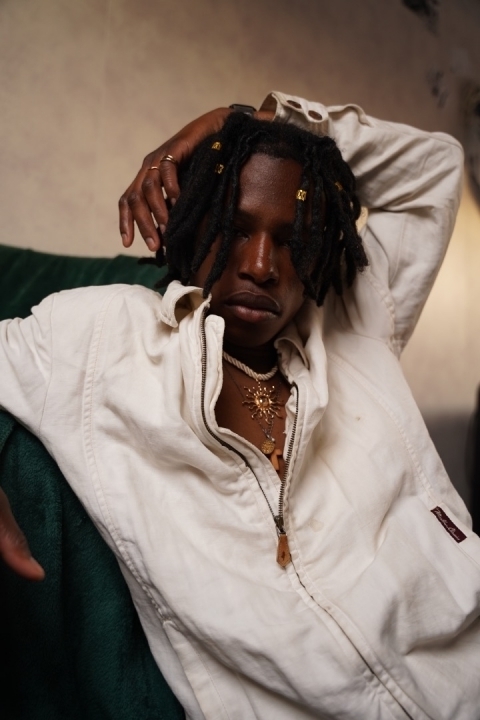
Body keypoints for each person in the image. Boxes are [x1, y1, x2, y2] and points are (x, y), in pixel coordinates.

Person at [0, 91, 479, 720]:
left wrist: (255, 119)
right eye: (233, 228)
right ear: (194, 223)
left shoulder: (353, 326)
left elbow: (434, 169)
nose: (259, 265)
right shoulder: (102, 337)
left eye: (291, 239)